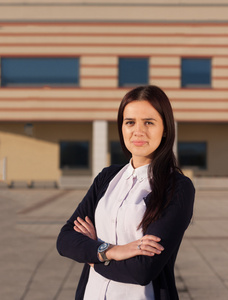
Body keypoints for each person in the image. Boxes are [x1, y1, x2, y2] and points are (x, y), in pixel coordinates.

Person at [56, 85, 195, 300]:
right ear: (122, 128)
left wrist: (92, 255)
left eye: (149, 122)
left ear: (165, 128)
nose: (138, 131)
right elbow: (65, 240)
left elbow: (143, 270)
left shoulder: (177, 187)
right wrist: (111, 251)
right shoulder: (107, 177)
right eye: (130, 122)